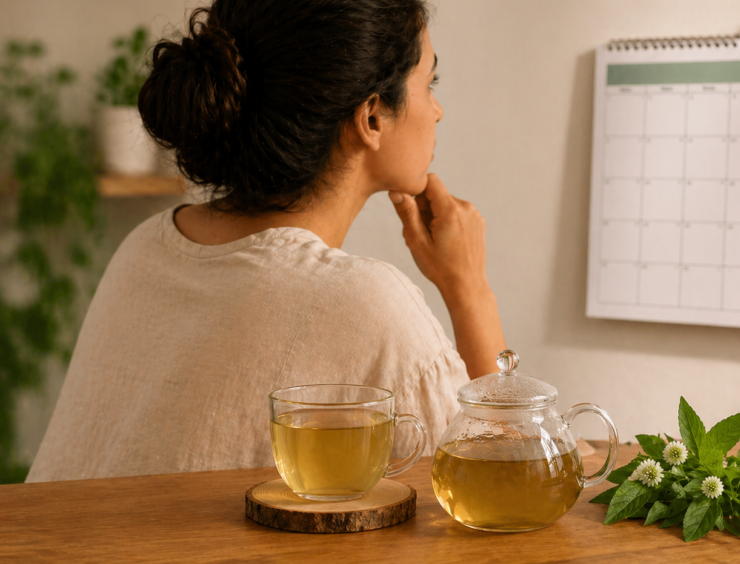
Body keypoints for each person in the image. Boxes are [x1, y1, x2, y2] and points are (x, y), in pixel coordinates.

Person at [27, 0, 504, 482]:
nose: (438, 111)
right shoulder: (366, 302)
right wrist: (469, 289)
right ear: (373, 117)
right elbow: (506, 485)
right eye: (430, 84)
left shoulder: (145, 245)